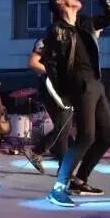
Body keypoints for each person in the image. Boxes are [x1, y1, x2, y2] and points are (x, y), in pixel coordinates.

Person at [31, 0, 110, 207]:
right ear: (60, 3)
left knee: (107, 137)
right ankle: (58, 189)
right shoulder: (55, 31)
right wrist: (64, 91)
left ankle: (80, 180)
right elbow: (46, 64)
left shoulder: (84, 24)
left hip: (95, 83)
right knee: (86, 137)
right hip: (80, 85)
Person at [25, 33, 73, 172]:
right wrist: (54, 73)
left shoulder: (73, 42)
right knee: (62, 126)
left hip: (64, 89)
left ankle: (61, 166)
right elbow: (33, 63)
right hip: (51, 87)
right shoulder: (45, 40)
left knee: (64, 127)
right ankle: (38, 152)